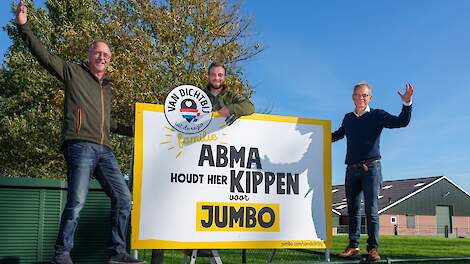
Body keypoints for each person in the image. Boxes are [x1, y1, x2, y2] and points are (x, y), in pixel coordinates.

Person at [15, 1, 144, 263]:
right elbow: (44, 56)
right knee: (77, 202)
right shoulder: (73, 73)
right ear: (89, 55)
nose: (102, 57)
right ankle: (62, 253)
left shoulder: (106, 88)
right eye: (98, 53)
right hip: (80, 146)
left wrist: (141, 130)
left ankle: (117, 252)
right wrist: (24, 27)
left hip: (105, 150)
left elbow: (109, 123)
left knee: (123, 197)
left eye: (106, 55)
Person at [332, 82, 413, 261]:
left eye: (365, 95)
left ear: (370, 98)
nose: (361, 98)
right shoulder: (348, 118)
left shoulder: (377, 115)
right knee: (352, 210)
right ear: (353, 97)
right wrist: (318, 135)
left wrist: (407, 104)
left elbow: (402, 122)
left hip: (372, 169)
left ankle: (372, 249)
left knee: (371, 210)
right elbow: (338, 134)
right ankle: (353, 246)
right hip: (351, 170)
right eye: (358, 95)